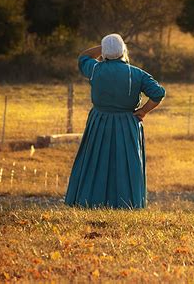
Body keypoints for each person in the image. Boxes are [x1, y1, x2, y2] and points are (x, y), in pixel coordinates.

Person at [65, 33, 165, 209]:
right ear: (123, 51)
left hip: (99, 121)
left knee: (96, 160)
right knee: (126, 163)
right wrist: (143, 111)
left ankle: (90, 201)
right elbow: (158, 93)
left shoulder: (96, 69)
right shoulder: (137, 73)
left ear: (104, 52)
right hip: (127, 123)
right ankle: (128, 203)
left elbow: (83, 57)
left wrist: (103, 47)